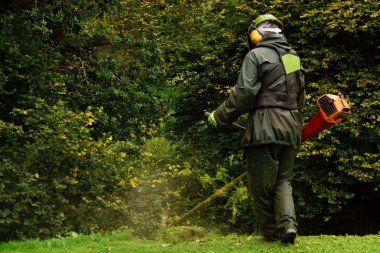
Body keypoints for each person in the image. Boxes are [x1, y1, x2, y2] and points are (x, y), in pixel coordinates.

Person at [207, 14, 306, 245]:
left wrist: (219, 116)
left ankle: (272, 235)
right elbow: (300, 98)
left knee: (261, 185)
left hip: (264, 129)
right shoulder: (294, 58)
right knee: (283, 181)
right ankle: (288, 227)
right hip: (292, 127)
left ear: (256, 33)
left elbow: (244, 94)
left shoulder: (255, 55)